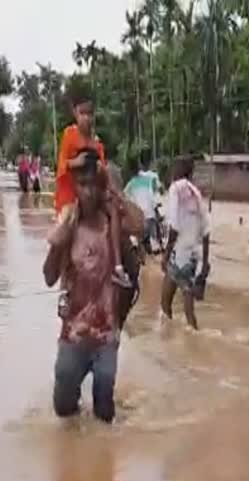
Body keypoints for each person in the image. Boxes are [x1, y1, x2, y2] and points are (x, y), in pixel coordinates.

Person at [43, 151, 142, 423]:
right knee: (63, 409)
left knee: (104, 414)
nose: (86, 191)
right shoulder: (68, 223)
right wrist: (57, 245)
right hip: (74, 332)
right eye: (81, 184)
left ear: (101, 187)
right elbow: (49, 277)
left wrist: (116, 194)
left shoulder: (114, 223)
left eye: (92, 184)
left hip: (106, 333)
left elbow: (140, 225)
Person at [56, 92, 130, 288]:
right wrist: (76, 162)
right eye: (82, 113)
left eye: (90, 113)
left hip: (95, 191)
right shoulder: (69, 135)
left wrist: (112, 188)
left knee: (115, 211)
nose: (86, 118)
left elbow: (104, 170)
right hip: (72, 193)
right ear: (75, 113)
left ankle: (118, 266)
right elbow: (62, 164)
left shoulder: (97, 143)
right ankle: (64, 285)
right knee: (65, 226)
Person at [161, 156, 211, 330]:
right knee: (189, 311)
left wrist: (166, 255)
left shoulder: (175, 189)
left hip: (178, 254)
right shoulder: (196, 194)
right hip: (192, 257)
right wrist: (204, 262)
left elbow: (174, 227)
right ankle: (193, 341)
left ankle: (169, 344)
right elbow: (206, 232)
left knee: (165, 304)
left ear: (179, 170)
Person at [124, 149, 160, 254]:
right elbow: (154, 194)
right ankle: (155, 246)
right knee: (154, 238)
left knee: (137, 238)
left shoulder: (130, 184)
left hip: (139, 218)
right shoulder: (149, 178)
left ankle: (138, 247)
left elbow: (125, 198)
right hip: (150, 215)